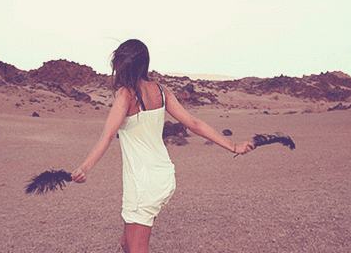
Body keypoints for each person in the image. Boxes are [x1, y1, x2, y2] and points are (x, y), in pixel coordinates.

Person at [71, 39, 254, 253]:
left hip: (143, 182)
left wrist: (84, 168)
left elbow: (108, 136)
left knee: (137, 247)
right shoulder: (162, 91)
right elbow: (194, 123)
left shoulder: (125, 95)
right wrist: (233, 146)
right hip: (163, 177)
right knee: (126, 244)